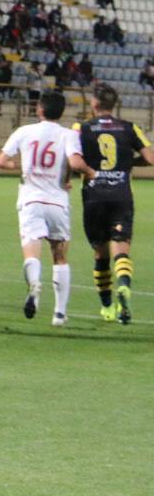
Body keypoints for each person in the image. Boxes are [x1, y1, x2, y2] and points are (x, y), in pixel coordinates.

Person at [0, 91, 92, 325]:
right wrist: (90, 172)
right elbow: (74, 162)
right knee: (60, 256)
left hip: (30, 201)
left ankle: (34, 284)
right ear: (61, 112)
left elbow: (0, 162)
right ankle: (59, 313)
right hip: (57, 201)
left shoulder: (24, 132)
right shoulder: (68, 134)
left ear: (39, 109)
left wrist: (21, 166)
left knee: (31, 251)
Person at [72, 83, 154, 323]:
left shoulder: (81, 128)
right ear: (114, 104)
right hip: (121, 196)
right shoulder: (130, 128)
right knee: (121, 248)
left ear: (94, 104)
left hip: (94, 196)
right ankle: (124, 285)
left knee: (100, 253)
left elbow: (73, 158)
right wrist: (127, 163)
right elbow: (151, 158)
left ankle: (107, 307)